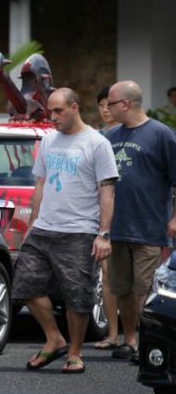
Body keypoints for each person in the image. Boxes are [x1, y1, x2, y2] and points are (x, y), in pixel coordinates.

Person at [12, 88, 118, 374]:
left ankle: (74, 352)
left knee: (78, 296)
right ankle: (54, 338)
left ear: (74, 107)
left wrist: (103, 233)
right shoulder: (48, 141)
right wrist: (33, 220)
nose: (52, 117)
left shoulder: (96, 143)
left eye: (58, 111)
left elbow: (106, 190)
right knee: (25, 285)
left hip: (80, 231)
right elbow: (40, 184)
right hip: (44, 227)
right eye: (50, 111)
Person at [105, 80, 176, 363]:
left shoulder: (161, 135)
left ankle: (148, 340)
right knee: (121, 287)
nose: (107, 108)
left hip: (148, 225)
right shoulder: (110, 136)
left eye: (111, 103)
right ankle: (130, 341)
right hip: (117, 225)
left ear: (125, 104)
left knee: (143, 288)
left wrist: (174, 217)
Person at [93, 86, 120, 350]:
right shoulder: (95, 139)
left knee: (139, 280)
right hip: (104, 218)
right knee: (107, 276)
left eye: (109, 104)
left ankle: (137, 333)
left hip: (136, 216)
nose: (105, 109)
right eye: (101, 104)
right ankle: (113, 333)